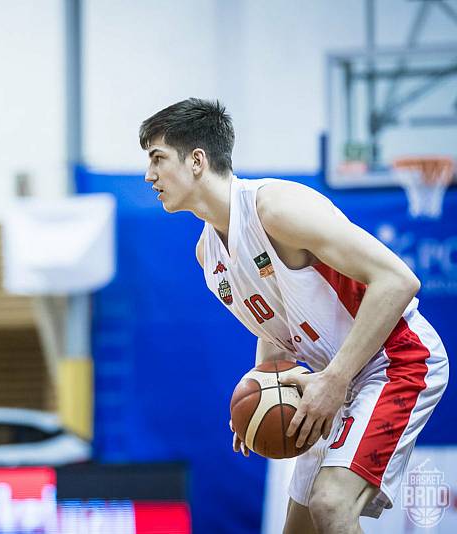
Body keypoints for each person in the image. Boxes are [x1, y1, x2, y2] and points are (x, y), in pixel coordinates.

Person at [140, 98, 448, 534]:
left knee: (331, 503)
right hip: (332, 378)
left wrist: (336, 379)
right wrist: (260, 391)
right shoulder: (207, 254)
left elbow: (399, 282)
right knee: (299, 528)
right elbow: (276, 332)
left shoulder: (276, 208)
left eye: (157, 159)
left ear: (196, 160)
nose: (149, 175)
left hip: (398, 360)